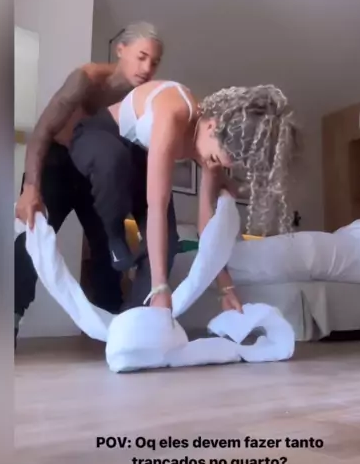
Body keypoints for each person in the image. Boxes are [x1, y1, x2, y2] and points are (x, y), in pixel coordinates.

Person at [69, 80, 300, 314]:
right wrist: (160, 287)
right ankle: (114, 236)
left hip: (138, 155)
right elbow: (157, 207)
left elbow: (207, 228)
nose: (212, 164)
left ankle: (133, 320)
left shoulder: (211, 147)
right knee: (113, 161)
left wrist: (225, 287)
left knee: (168, 244)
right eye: (214, 158)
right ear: (212, 126)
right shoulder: (174, 113)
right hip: (100, 134)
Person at [14, 22, 170, 346]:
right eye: (141, 57)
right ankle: (8, 320)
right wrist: (31, 188)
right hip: (56, 163)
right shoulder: (86, 79)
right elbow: (42, 132)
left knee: (108, 249)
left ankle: (116, 334)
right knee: (29, 240)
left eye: (154, 62)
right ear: (121, 50)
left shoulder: (143, 98)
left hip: (93, 174)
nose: (147, 68)